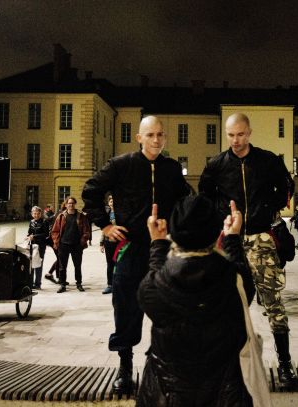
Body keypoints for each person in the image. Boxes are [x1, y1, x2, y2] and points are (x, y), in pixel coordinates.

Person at [82, 115, 190, 394]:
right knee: (126, 306)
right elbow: (91, 191)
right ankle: (125, 366)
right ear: (139, 138)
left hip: (163, 247)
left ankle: (166, 366)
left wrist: (181, 231)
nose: (156, 140)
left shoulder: (171, 169)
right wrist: (105, 225)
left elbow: (184, 201)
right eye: (150, 135)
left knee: (169, 307)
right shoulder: (122, 165)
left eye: (160, 135)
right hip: (131, 248)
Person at [199, 112, 298, 388]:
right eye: (231, 135)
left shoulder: (267, 161)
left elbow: (287, 185)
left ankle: (285, 365)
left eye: (240, 134)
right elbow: (204, 194)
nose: (236, 140)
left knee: (274, 303)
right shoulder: (217, 165)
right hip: (230, 240)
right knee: (224, 304)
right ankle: (225, 365)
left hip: (260, 239)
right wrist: (220, 216)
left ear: (250, 132)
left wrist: (270, 207)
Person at [137, 197, 256, 406]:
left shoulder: (152, 288)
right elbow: (239, 271)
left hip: (167, 395)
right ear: (214, 233)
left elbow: (156, 273)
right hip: (224, 394)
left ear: (174, 232)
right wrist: (232, 237)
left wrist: (157, 242)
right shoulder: (234, 281)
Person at [50, 197, 91, 293]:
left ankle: (79, 283)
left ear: (75, 204)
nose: (71, 205)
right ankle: (63, 284)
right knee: (62, 266)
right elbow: (55, 231)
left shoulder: (81, 216)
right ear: (66, 204)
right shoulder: (61, 216)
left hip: (77, 245)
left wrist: (82, 241)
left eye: (72, 203)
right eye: (69, 203)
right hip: (63, 245)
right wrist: (57, 242)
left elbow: (87, 231)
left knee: (77, 265)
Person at [43, 201, 66, 284]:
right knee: (60, 258)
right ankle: (50, 274)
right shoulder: (61, 214)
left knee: (60, 258)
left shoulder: (59, 213)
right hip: (54, 240)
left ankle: (58, 277)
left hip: (54, 239)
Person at [27, 206, 48, 289]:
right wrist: (28, 236)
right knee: (31, 264)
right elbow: (29, 232)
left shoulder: (44, 222)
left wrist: (34, 236)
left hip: (41, 246)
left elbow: (46, 234)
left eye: (38, 213)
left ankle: (38, 283)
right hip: (32, 245)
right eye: (34, 213)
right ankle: (30, 282)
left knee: (39, 264)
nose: (36, 215)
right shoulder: (31, 222)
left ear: (40, 214)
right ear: (32, 214)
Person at [99, 195, 116, 295]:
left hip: (119, 242)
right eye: (110, 201)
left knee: (119, 263)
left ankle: (118, 284)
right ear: (108, 203)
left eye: (113, 200)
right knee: (110, 264)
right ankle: (110, 285)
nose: (112, 202)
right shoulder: (107, 213)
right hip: (108, 242)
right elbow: (104, 229)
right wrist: (101, 243)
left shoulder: (121, 213)